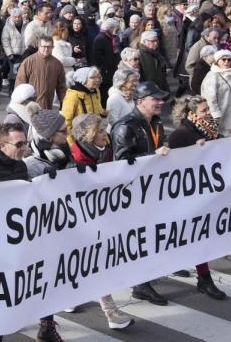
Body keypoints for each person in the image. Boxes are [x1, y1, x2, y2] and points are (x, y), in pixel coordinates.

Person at [0, 123, 63, 341]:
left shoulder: (19, 165)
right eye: (19, 144)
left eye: (25, 142)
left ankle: (47, 325)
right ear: (3, 145)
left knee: (41, 278)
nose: (25, 148)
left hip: (20, 238)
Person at [65, 115, 136, 330]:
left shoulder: (105, 150)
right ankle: (111, 313)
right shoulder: (76, 155)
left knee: (85, 262)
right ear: (88, 134)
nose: (105, 134)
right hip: (81, 218)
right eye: (100, 130)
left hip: (103, 214)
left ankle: (68, 297)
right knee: (97, 263)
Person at [164, 95, 231, 299]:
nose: (208, 113)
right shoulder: (180, 135)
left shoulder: (208, 130)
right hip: (186, 194)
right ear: (191, 114)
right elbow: (173, 168)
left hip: (204, 192)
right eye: (203, 110)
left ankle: (174, 264)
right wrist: (195, 152)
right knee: (196, 235)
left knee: (189, 234)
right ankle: (204, 279)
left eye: (207, 109)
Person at [110, 81, 172, 305]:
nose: (161, 102)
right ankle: (140, 285)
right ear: (140, 101)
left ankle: (144, 278)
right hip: (134, 194)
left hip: (153, 190)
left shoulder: (155, 123)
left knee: (152, 235)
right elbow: (122, 164)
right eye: (155, 98)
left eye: (161, 98)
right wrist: (153, 156)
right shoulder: (125, 126)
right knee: (140, 238)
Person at [15, 36, 67, 110]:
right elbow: (20, 84)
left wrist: (63, 102)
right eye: (44, 46)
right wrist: (20, 102)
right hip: (30, 107)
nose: (46, 49)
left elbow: (61, 86)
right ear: (39, 46)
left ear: (53, 47)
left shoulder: (57, 64)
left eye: (49, 47)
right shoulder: (29, 61)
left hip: (48, 106)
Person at [201, 49, 231, 136]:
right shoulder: (212, 75)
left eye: (229, 60)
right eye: (223, 59)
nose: (226, 62)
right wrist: (215, 114)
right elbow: (210, 97)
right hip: (220, 115)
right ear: (217, 61)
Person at [60, 67, 104, 139]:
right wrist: (72, 144)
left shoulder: (96, 91)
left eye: (99, 77)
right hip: (80, 138)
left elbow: (99, 111)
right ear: (83, 80)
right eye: (93, 77)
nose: (98, 80)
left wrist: (103, 115)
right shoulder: (73, 95)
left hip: (94, 134)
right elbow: (66, 121)